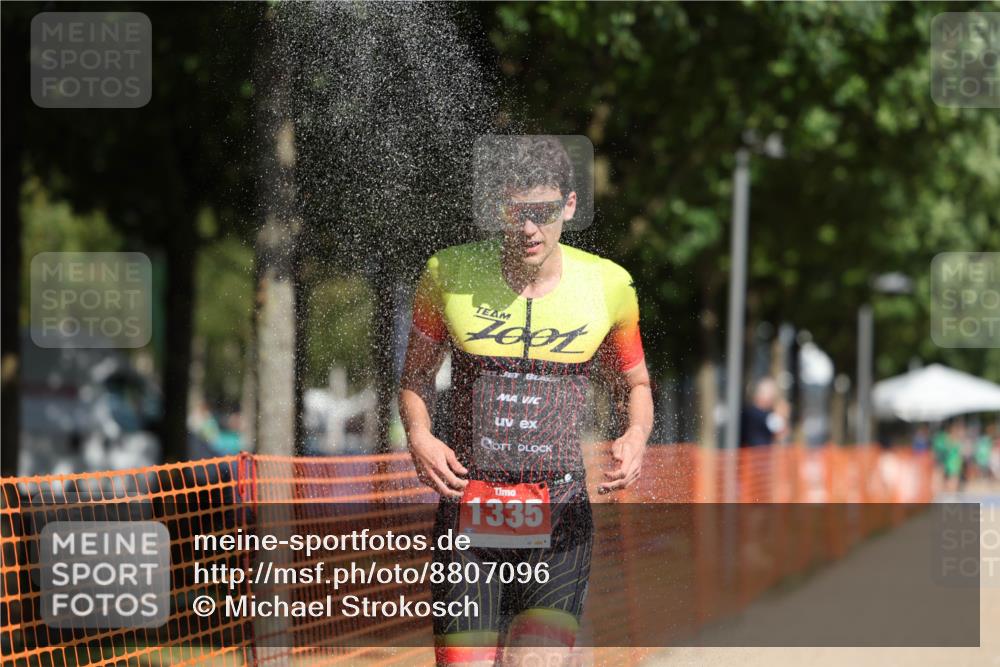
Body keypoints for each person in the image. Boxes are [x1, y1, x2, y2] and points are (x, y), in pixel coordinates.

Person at [398, 135, 653, 666]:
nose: (529, 229)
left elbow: (637, 385)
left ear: (570, 205)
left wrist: (636, 435)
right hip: (470, 514)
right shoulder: (449, 273)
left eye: (542, 212)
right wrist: (420, 436)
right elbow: (415, 377)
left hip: (559, 516)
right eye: (516, 213)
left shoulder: (609, 285)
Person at [739, 377, 786, 447]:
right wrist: (782, 413)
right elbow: (780, 429)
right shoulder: (758, 414)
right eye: (770, 394)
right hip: (755, 454)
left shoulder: (752, 412)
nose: (772, 398)